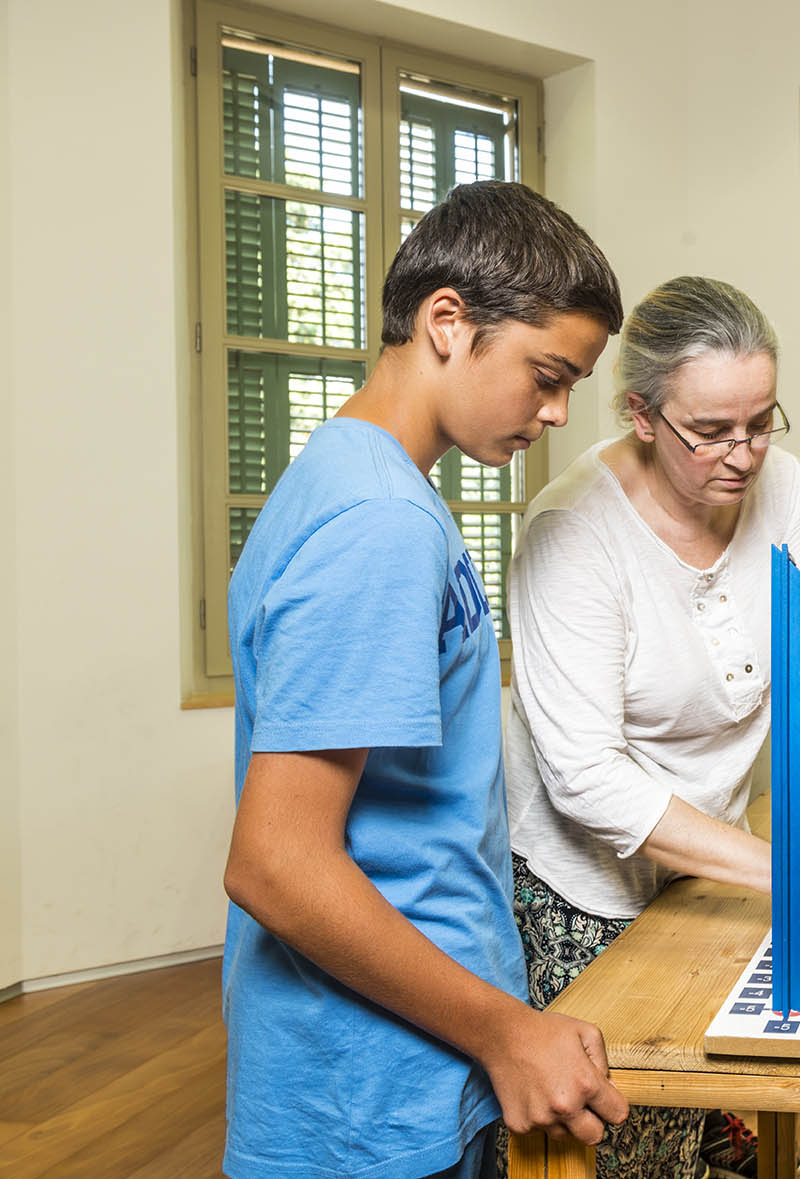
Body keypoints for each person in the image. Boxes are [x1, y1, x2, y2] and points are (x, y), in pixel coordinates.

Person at [503, 275, 800, 1177]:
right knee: (627, 1153)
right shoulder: (571, 530)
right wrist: (788, 871)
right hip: (585, 890)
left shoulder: (781, 488)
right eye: (713, 431)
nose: (744, 453)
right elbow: (585, 777)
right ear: (641, 415)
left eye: (763, 422)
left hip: (712, 867)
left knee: (707, 1122)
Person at [222, 181, 630, 1179]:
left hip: (385, 1064)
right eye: (544, 374)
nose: (556, 412)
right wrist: (503, 1030)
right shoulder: (381, 524)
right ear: (445, 320)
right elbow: (275, 861)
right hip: (367, 1093)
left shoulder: (347, 479)